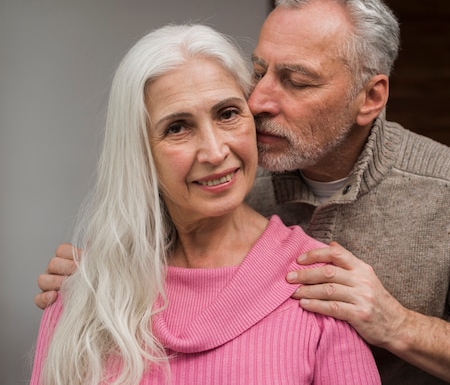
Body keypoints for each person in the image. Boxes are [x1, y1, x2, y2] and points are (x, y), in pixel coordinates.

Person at [35, 0, 450, 384]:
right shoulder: (233, 172)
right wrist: (91, 277)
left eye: (296, 81)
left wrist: (397, 325)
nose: (259, 101)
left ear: (370, 98)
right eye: (260, 69)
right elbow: (150, 241)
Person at [29, 23, 381, 385]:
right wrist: (89, 283)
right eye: (178, 127)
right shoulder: (85, 294)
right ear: (138, 152)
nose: (215, 152)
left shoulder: (320, 288)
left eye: (227, 114)